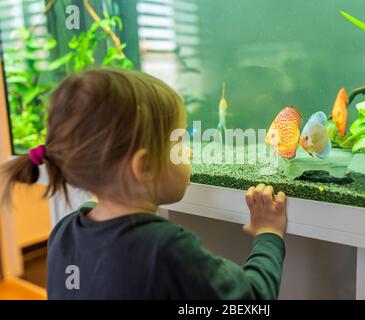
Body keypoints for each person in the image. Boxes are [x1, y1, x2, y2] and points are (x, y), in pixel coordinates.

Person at [0, 68, 287, 299]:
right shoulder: (166, 249)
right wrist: (269, 234)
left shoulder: (63, 233)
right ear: (145, 166)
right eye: (180, 142)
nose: (187, 152)